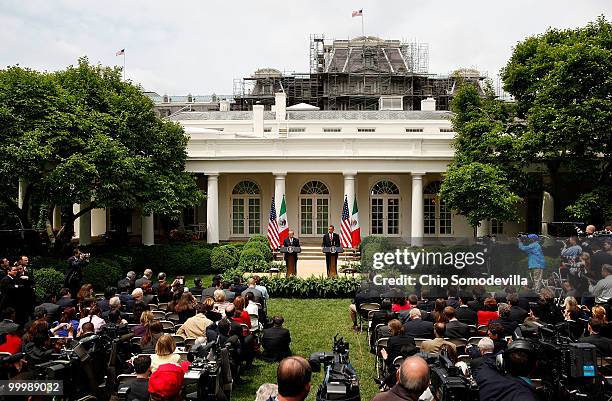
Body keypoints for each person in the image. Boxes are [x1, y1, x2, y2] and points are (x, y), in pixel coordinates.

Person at [473, 339, 540, 401]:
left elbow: (488, 363)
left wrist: (507, 351)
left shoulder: (485, 373)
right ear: (534, 366)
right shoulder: (526, 396)